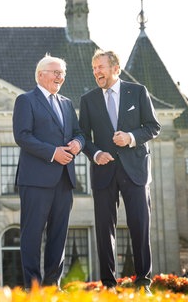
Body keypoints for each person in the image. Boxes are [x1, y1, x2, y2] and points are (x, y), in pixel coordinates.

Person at [79, 49, 161, 293]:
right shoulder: (88, 99)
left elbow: (153, 127)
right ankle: (108, 284)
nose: (97, 72)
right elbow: (82, 136)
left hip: (135, 169)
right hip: (104, 172)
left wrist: (131, 137)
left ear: (115, 68)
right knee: (104, 229)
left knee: (140, 225)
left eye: (101, 67)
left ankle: (143, 282)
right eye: (94, 69)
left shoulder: (137, 92)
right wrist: (95, 153)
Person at [12, 54, 85, 290]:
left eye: (62, 73)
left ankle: (52, 285)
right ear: (40, 74)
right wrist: (53, 152)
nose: (60, 77)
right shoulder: (26, 100)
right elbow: (22, 136)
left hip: (64, 180)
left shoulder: (66, 103)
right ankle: (32, 287)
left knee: (58, 235)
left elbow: (78, 132)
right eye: (55, 72)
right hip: (35, 181)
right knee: (31, 235)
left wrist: (78, 143)